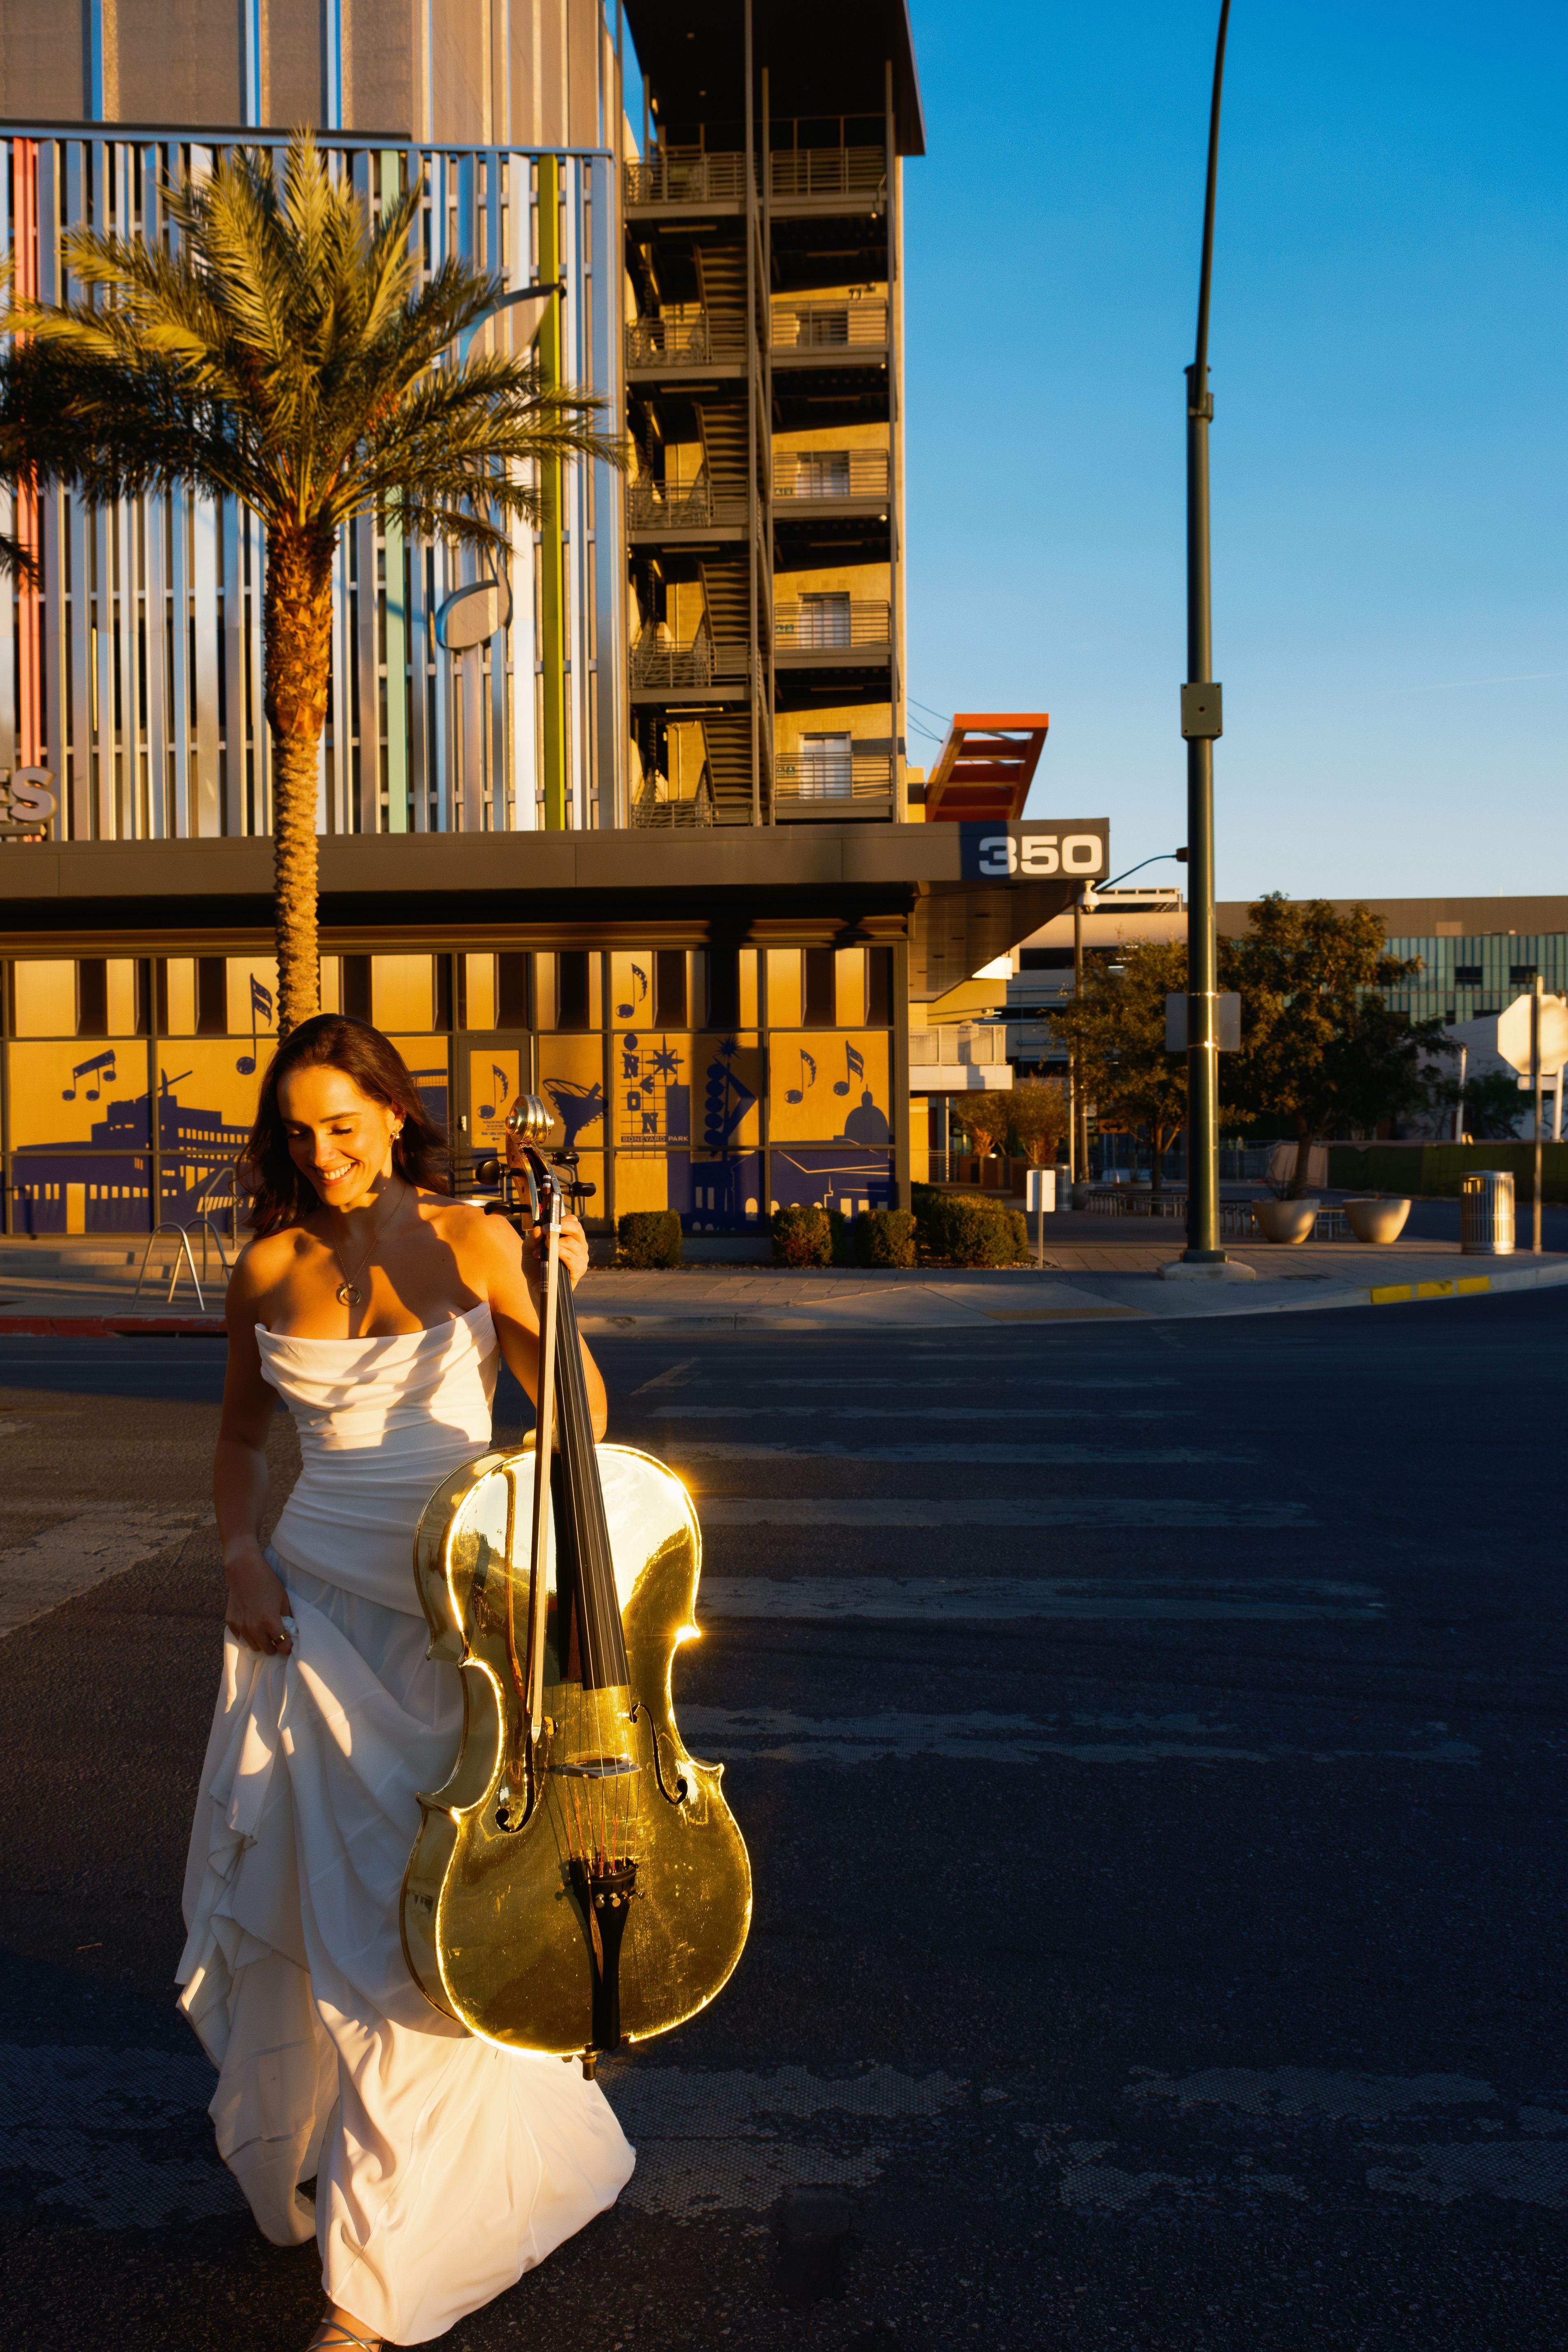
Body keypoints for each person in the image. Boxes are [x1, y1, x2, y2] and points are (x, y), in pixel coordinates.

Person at [179, 1014, 633, 2350]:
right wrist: (238, 1562)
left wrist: (561, 1299)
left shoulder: (476, 1237)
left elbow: (580, 1424)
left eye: (344, 1121)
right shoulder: (266, 1266)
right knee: (355, 1921)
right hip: (314, 1620)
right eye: (299, 1130)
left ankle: (406, 2244)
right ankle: (375, 2291)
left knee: (438, 1927)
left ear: (390, 1111)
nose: (322, 1151)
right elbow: (237, 1440)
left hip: (460, 1613)